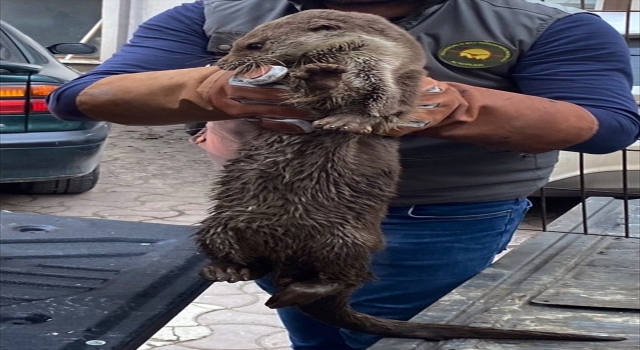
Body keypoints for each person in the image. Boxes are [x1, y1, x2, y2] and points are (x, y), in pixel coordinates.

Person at [47, 1, 640, 349]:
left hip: (442, 216)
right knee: (320, 324)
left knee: (364, 331)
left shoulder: (542, 25)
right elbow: (84, 96)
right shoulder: (219, 12)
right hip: (271, 205)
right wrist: (206, 91)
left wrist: (451, 105)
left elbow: (608, 123)